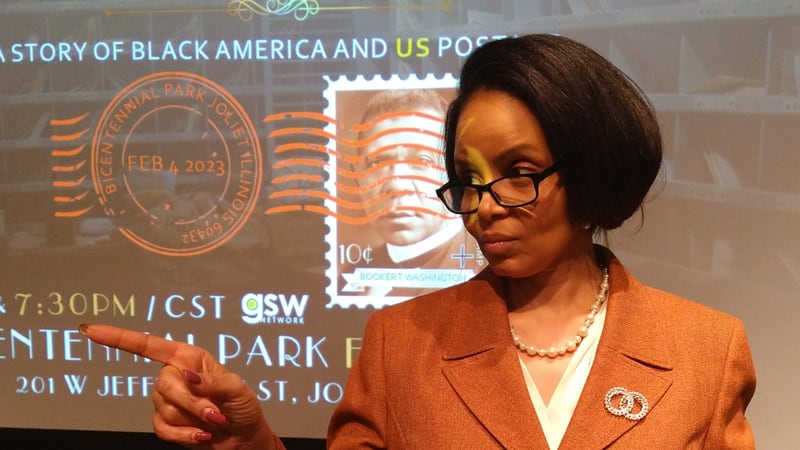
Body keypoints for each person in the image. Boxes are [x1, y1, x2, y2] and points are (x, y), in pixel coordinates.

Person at [81, 33, 756, 449]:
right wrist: (251, 441)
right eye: (467, 179)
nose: (482, 207)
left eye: (517, 174)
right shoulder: (400, 343)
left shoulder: (704, 349)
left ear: (592, 168)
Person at [338, 88, 481, 298]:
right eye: (377, 162)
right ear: (357, 177)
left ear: (455, 173)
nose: (397, 186)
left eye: (422, 161)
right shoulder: (350, 276)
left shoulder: (485, 271)